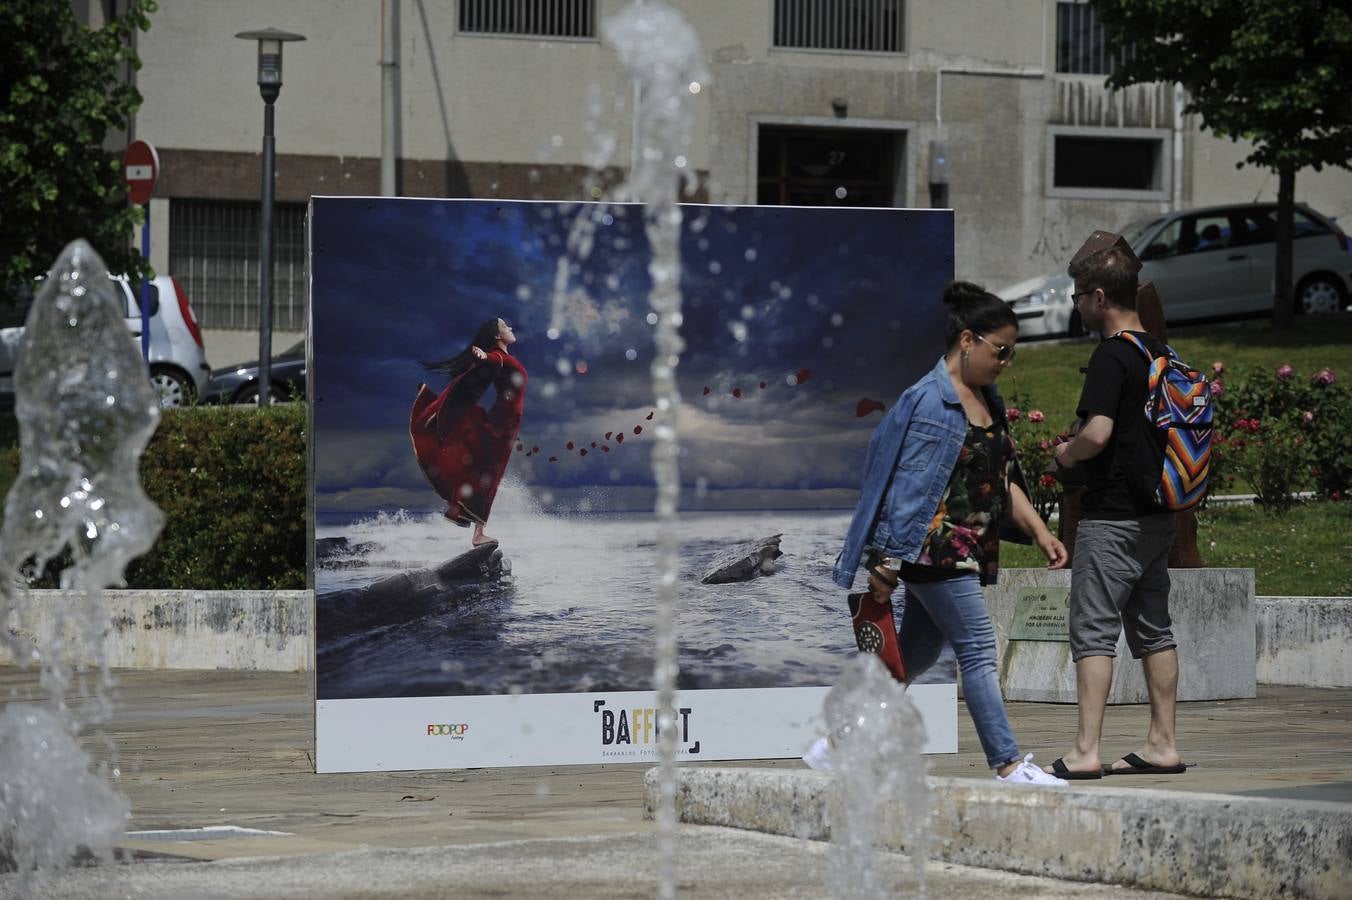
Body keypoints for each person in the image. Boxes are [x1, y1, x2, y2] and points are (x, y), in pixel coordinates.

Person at [816, 281, 1070, 786]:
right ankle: (1008, 764)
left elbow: (1001, 478)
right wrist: (885, 564)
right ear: (968, 340)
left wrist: (1042, 532)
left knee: (916, 653)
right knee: (977, 648)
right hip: (934, 551)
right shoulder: (928, 403)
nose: (1007, 362)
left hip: (966, 549)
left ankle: (837, 744)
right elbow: (902, 489)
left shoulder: (987, 399)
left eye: (1012, 353)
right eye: (1001, 351)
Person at [1044, 232, 1188, 780]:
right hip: (1159, 515)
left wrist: (1064, 452)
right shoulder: (1162, 352)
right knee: (1155, 629)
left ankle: (1085, 751)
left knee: (1094, 631)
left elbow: (1098, 433)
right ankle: (1163, 744)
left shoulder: (1112, 355)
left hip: (1113, 516)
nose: (1076, 304)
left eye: (1080, 295)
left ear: (1100, 297)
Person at [410, 317, 525, 547]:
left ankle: (476, 529)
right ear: (496, 335)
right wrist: (483, 357)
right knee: (488, 475)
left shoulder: (506, 358)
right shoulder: (498, 357)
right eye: (505, 326)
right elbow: (490, 360)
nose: (510, 328)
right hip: (501, 424)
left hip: (508, 425)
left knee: (487, 474)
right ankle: (477, 533)